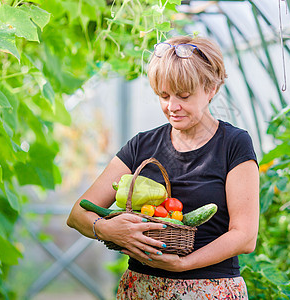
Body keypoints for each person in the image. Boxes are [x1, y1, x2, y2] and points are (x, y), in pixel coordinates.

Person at [67, 35, 260, 299]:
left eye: (183, 96)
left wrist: (183, 264)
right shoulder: (141, 146)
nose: (172, 107)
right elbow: (78, 214)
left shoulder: (234, 144)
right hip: (142, 288)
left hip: (210, 289)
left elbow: (245, 237)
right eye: (164, 95)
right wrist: (105, 228)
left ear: (211, 89)